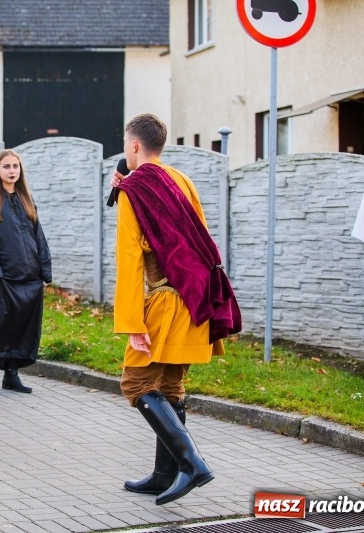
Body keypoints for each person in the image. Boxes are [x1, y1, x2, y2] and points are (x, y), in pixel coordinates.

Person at [111, 114, 241, 505]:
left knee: (135, 383)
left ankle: (192, 464)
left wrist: (132, 321)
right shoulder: (180, 180)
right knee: (170, 387)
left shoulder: (134, 190)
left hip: (165, 300)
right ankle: (164, 474)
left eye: (125, 144)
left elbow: (130, 259)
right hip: (195, 296)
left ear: (134, 145)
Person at [0, 149, 52, 394]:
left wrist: (44, 271)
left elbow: (39, 237)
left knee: (21, 326)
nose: (11, 171)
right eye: (6, 166)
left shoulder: (27, 200)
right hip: (2, 277)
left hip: (29, 277)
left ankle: (11, 375)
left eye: (15, 166)